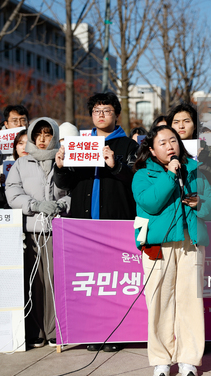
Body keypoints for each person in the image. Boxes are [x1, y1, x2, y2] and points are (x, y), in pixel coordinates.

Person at [132, 125, 211, 376]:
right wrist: (170, 176)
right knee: (160, 302)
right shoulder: (142, 175)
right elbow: (150, 202)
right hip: (157, 247)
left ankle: (189, 358)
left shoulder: (194, 169)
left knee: (189, 302)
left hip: (190, 243)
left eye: (174, 140)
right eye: (162, 142)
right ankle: (161, 359)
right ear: (151, 149)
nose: (170, 146)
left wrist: (200, 203)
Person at [54, 92, 139, 352]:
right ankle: (91, 332)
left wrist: (116, 165)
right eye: (96, 111)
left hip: (116, 223)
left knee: (114, 281)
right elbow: (65, 184)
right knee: (88, 281)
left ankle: (115, 333)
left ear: (116, 114)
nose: (101, 115)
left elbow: (137, 181)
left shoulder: (129, 146)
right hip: (83, 224)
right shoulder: (80, 143)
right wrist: (60, 166)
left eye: (107, 110)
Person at [5, 117, 69, 349]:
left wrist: (62, 205)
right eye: (38, 135)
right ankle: (34, 330)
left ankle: (53, 330)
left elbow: (74, 190)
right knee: (33, 283)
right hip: (31, 232)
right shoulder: (22, 164)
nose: (42, 140)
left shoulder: (64, 160)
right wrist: (34, 205)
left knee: (54, 282)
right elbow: (12, 192)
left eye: (48, 134)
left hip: (57, 231)